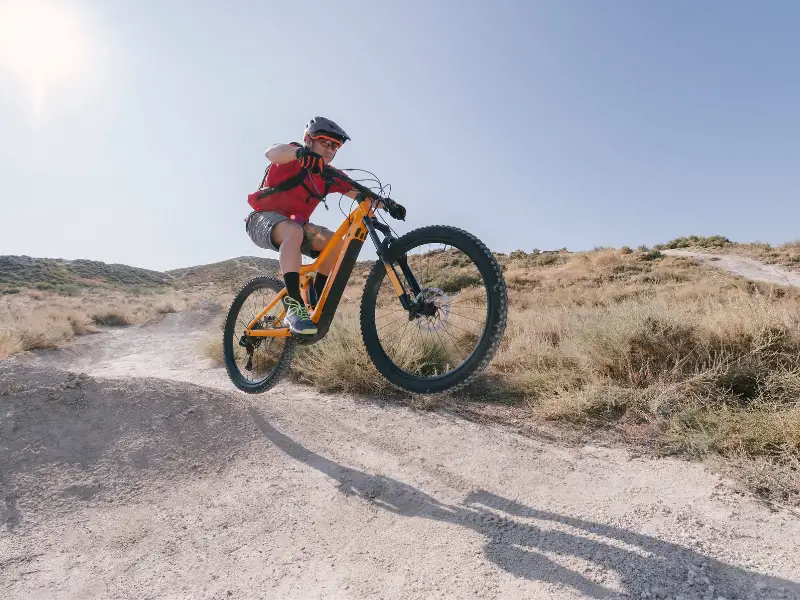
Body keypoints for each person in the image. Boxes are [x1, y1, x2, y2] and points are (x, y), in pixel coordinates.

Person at [245, 117, 359, 336]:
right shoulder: (294, 155)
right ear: (308, 140)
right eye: (326, 142)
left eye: (336, 146)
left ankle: (312, 301)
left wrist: (386, 204)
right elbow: (272, 152)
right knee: (293, 230)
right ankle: (294, 307)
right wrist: (299, 154)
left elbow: (358, 193)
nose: (331, 149)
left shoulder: (329, 174)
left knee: (337, 243)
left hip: (296, 225)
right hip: (261, 219)